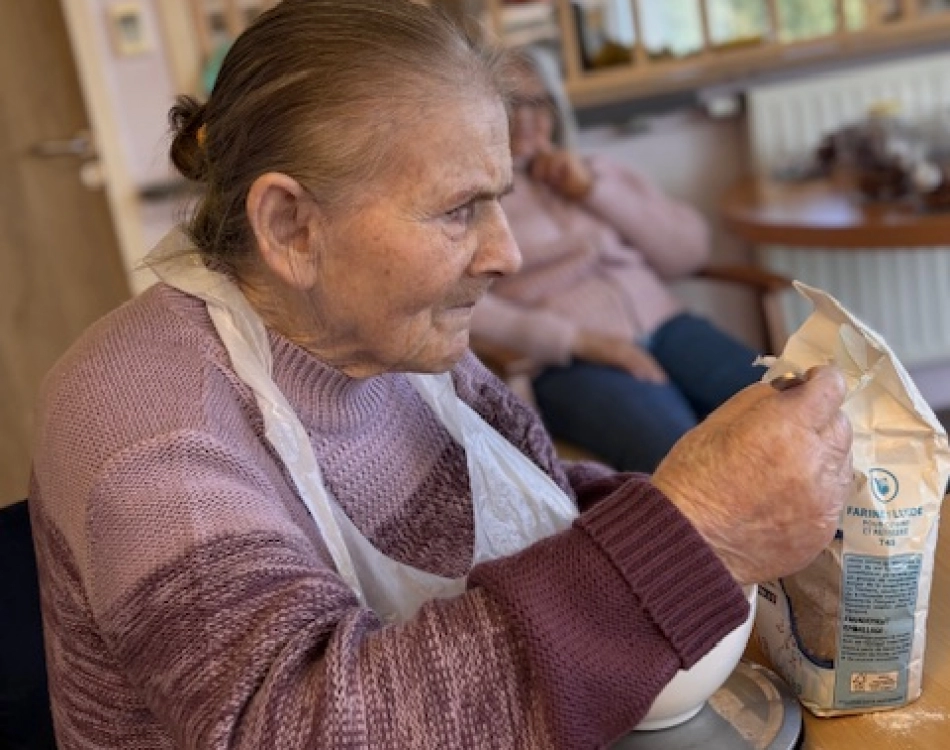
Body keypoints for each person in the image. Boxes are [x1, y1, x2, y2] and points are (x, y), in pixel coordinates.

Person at [28, 2, 853, 748]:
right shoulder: (153, 433)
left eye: (499, 200)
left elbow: (535, 501)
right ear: (291, 227)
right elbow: (303, 729)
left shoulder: (391, 331)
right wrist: (701, 531)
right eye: (460, 210)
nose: (508, 254)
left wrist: (699, 502)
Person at [472, 47, 767, 473]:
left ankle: (849, 517)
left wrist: (594, 189)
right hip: (573, 360)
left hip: (669, 327)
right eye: (511, 103)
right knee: (687, 463)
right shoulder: (478, 200)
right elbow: (470, 307)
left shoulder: (594, 169)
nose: (528, 118)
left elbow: (688, 254)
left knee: (784, 404)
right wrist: (577, 341)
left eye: (539, 102)